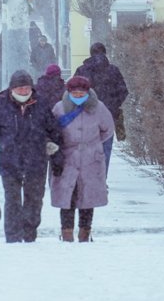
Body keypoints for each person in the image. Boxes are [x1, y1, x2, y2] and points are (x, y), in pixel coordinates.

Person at [0, 70, 64, 243]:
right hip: (10, 162)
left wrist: (57, 159)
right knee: (12, 201)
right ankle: (13, 237)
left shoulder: (41, 105)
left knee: (34, 202)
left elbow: (55, 133)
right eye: (19, 89)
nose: (24, 92)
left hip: (37, 162)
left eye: (27, 88)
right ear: (11, 89)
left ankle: (30, 235)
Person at [50, 75, 114, 242]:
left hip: (91, 158)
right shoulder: (59, 108)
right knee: (67, 196)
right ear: (69, 92)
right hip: (67, 157)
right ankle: (67, 232)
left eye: (81, 92)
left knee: (88, 196)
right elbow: (52, 130)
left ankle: (85, 232)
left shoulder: (99, 108)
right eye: (75, 93)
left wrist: (93, 145)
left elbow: (108, 130)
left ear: (88, 92)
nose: (78, 95)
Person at [75, 42, 129, 173]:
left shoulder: (82, 70)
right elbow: (123, 91)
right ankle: (101, 176)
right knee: (105, 147)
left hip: (87, 114)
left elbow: (74, 91)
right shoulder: (113, 70)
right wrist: (114, 104)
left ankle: (89, 174)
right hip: (109, 114)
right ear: (105, 53)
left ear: (91, 53)